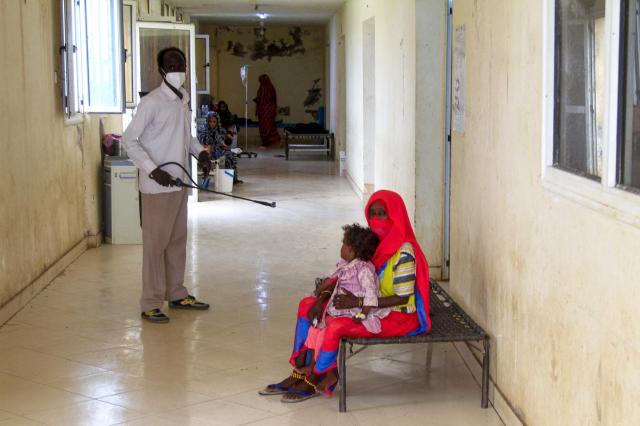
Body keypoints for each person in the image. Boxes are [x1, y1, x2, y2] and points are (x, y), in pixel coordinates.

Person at [260, 190, 431, 402]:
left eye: (382, 214)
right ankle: (300, 369)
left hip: (397, 315)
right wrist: (322, 299)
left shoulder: (404, 251)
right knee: (307, 305)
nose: (376, 219)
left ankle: (316, 377)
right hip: (367, 305)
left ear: (395, 216)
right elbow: (345, 275)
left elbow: (402, 298)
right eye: (373, 214)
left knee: (337, 326)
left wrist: (356, 302)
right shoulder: (376, 243)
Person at [121, 47, 211, 323]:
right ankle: (150, 302)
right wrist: (152, 170)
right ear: (161, 70)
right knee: (155, 246)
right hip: (157, 189)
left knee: (176, 242)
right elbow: (129, 141)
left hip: (179, 184)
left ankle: (176, 293)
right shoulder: (152, 102)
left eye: (181, 64)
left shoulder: (182, 100)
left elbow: (187, 137)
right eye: (171, 65)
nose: (177, 69)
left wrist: (201, 152)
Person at [294, 224, 386, 387]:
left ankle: (326, 373)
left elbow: (371, 294)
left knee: (325, 331)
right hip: (339, 309)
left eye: (343, 243)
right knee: (317, 329)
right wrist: (320, 291)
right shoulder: (345, 265)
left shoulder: (364, 269)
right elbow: (331, 280)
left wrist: (363, 314)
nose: (341, 247)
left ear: (352, 250)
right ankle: (312, 366)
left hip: (354, 311)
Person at [198, 112, 242, 184]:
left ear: (217, 121)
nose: (212, 123)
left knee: (230, 155)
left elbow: (222, 146)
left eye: (214, 122)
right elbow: (202, 144)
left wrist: (232, 149)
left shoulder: (221, 131)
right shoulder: (202, 131)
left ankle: (230, 179)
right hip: (206, 153)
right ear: (207, 121)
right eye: (210, 121)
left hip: (218, 152)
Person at [253, 74, 281, 148]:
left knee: (266, 127)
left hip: (266, 111)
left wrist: (256, 100)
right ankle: (269, 143)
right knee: (269, 126)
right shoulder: (270, 87)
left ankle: (266, 143)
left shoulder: (264, 87)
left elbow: (262, 99)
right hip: (268, 111)